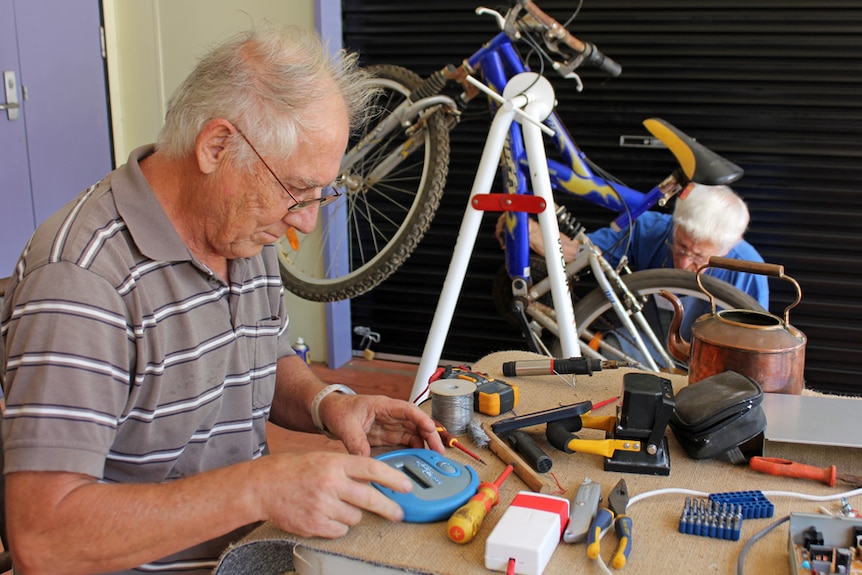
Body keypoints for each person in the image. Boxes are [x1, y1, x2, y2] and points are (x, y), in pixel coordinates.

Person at [0, 25, 444, 575]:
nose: (305, 220)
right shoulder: (81, 279)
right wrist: (261, 487)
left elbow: (262, 358)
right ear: (217, 147)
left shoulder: (241, 230)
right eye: (296, 191)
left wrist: (330, 404)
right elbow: (44, 540)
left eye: (318, 195)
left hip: (245, 553)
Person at [497, 183, 769, 310]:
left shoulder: (748, 270)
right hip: (639, 349)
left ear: (728, 247)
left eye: (699, 256)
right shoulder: (650, 228)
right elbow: (582, 255)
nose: (684, 263)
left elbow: (755, 348)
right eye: (680, 246)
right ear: (675, 225)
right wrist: (530, 230)